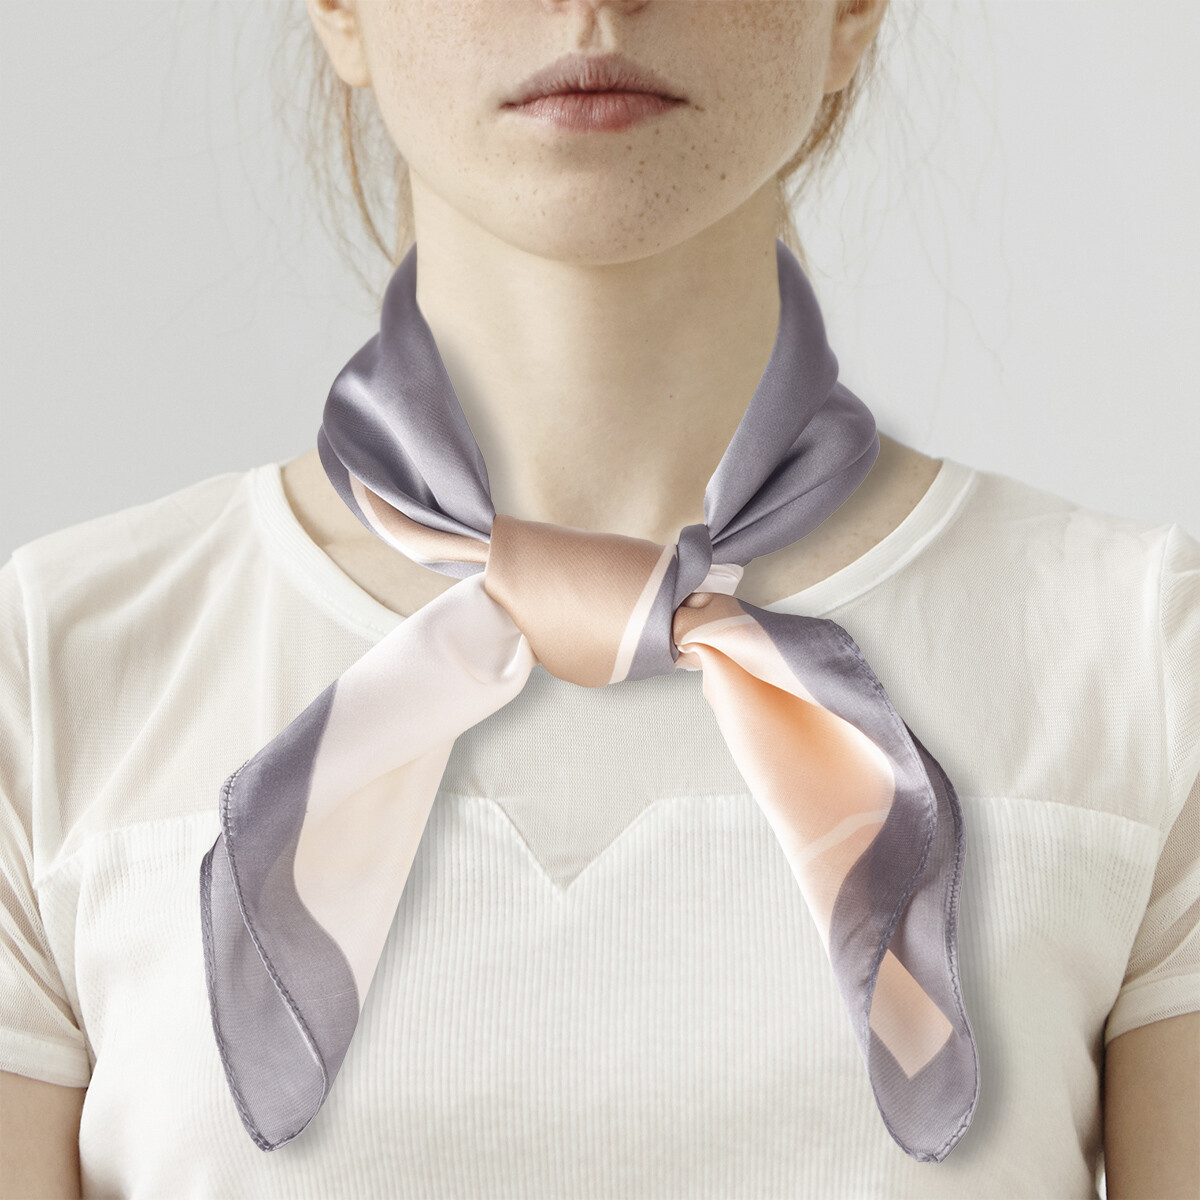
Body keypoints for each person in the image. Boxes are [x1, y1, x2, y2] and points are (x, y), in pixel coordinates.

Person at [1, 0, 1197, 1196]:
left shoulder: (1140, 665)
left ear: (850, 12)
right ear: (339, 11)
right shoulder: (50, 680)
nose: (594, 5)